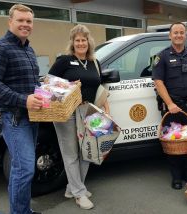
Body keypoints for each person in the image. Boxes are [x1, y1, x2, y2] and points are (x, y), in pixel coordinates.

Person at [0, 4, 43, 214]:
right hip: (13, 117)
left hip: (31, 117)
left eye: (29, 21)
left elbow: (31, 82)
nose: (25, 25)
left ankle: (24, 211)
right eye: (21, 20)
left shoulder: (28, 49)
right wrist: (23, 100)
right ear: (10, 22)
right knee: (24, 169)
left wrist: (50, 92)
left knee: (23, 168)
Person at [48, 24, 108, 210]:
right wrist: (68, 85)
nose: (81, 43)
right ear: (72, 43)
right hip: (67, 111)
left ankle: (72, 188)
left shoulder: (94, 63)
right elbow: (48, 82)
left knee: (88, 151)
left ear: (89, 42)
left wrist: (105, 109)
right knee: (71, 153)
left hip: (89, 111)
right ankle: (79, 193)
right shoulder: (64, 61)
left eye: (84, 40)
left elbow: (101, 88)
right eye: (77, 40)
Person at [153, 22, 187, 190]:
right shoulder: (161, 56)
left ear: (185, 35)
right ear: (170, 36)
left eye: (181, 32)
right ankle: (176, 177)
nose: (178, 35)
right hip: (173, 107)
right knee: (174, 143)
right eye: (175, 32)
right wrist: (169, 104)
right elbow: (158, 81)